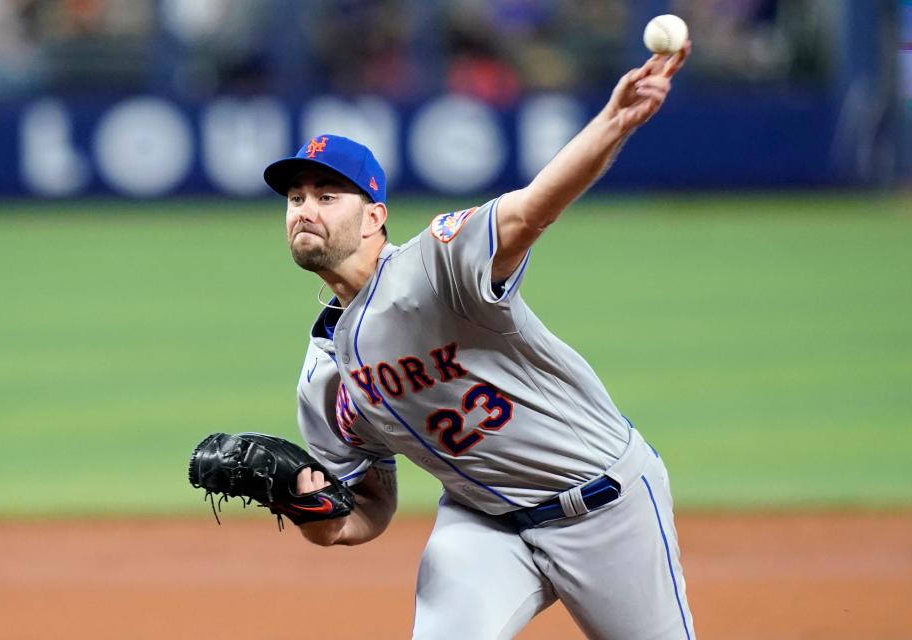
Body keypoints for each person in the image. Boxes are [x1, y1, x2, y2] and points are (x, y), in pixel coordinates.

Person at [262, 42, 694, 640]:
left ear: (373, 218)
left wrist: (613, 122)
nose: (305, 209)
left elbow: (529, 214)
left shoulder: (435, 264)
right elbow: (363, 511)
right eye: (296, 198)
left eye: (326, 196)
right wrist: (308, 508)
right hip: (483, 524)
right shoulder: (323, 379)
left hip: (605, 506)